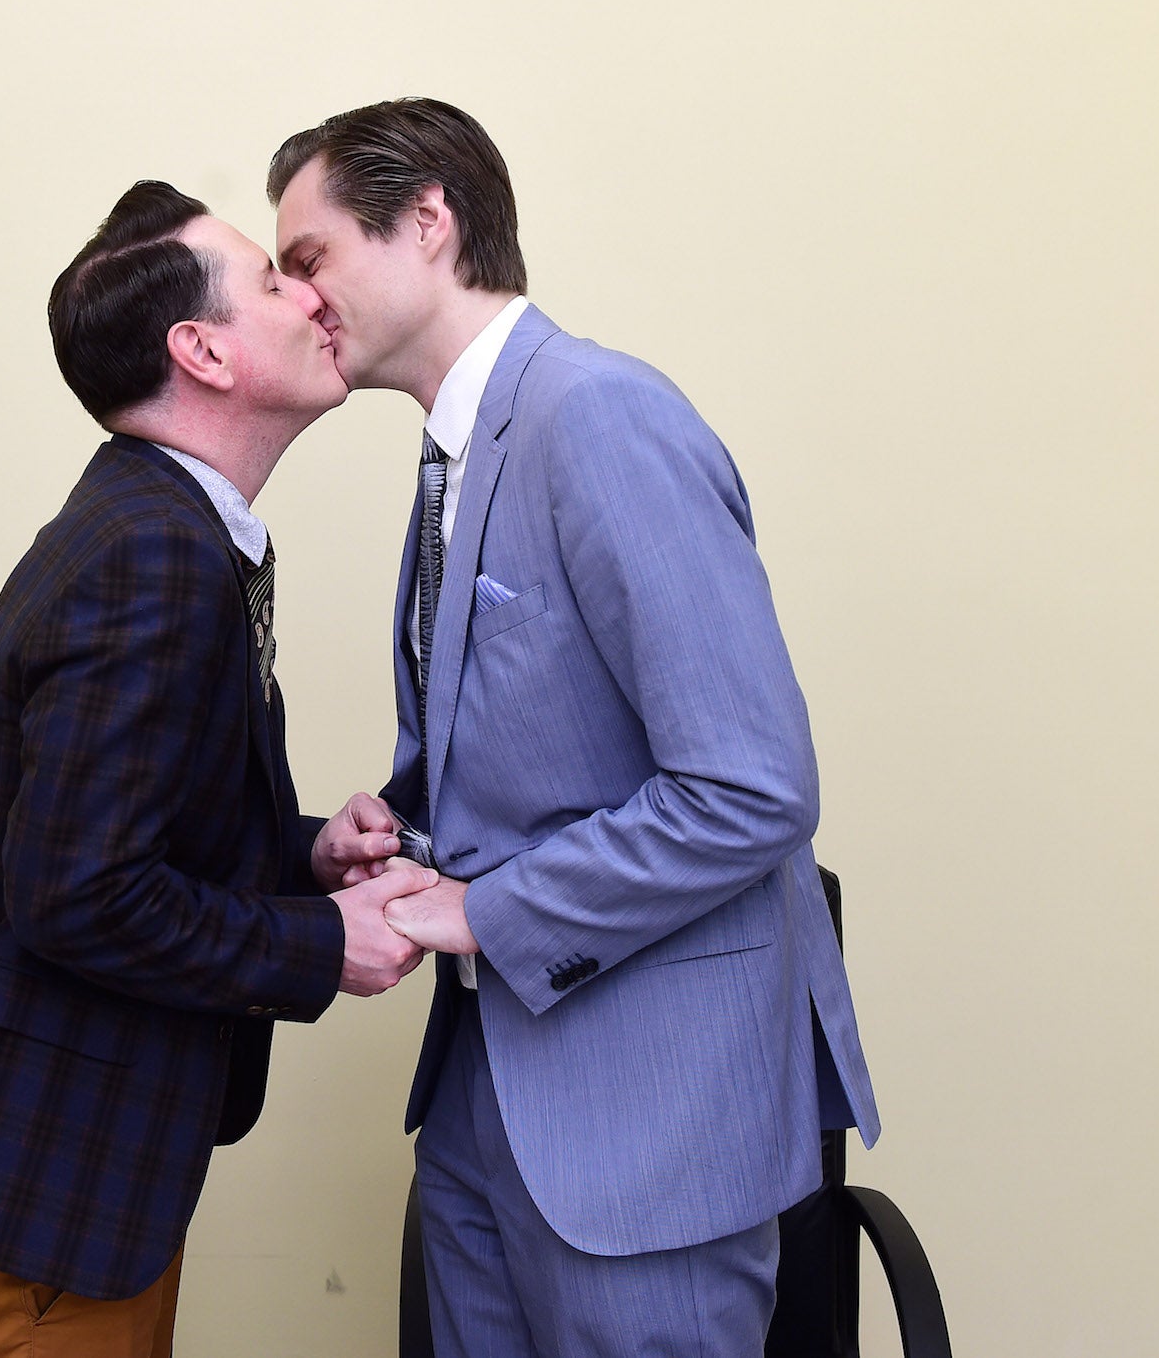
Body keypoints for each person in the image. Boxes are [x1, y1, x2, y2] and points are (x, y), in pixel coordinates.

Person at [268, 100, 882, 1358]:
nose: (293, 299)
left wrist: (485, 910)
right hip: (484, 1092)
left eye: (308, 257)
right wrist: (411, 841)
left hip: (638, 1123)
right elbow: (549, 765)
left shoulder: (595, 414)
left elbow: (751, 785)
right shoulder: (459, 453)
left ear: (428, 219)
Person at [0, 180, 426, 1358]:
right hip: (26, 1222)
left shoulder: (162, 524)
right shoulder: (151, 556)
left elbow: (113, 829)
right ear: (201, 350)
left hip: (69, 1202)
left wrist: (300, 855)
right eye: (273, 280)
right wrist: (325, 942)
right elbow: (77, 894)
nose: (309, 293)